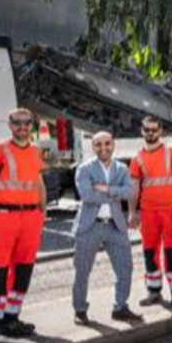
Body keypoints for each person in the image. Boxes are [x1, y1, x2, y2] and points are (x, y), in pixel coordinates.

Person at [0, 108, 47, 343]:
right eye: (17, 122)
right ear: (9, 124)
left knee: (23, 269)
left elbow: (39, 182)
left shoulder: (36, 150)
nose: (23, 127)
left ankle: (10, 319)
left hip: (31, 217)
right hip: (5, 216)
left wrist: (42, 211)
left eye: (27, 122)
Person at [71, 131, 142, 325]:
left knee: (125, 268)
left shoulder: (121, 168)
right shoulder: (84, 169)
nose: (103, 147)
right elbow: (87, 196)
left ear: (113, 145)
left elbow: (129, 192)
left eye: (107, 143)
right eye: (98, 144)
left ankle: (120, 307)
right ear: (93, 147)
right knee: (82, 271)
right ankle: (80, 309)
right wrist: (114, 195)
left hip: (115, 225)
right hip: (89, 225)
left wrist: (106, 189)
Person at [129, 116, 172, 306]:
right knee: (149, 252)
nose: (150, 133)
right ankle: (154, 291)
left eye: (154, 130)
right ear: (142, 131)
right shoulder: (137, 158)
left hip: (170, 211)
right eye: (147, 129)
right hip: (148, 212)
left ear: (161, 131)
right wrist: (132, 211)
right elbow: (134, 187)